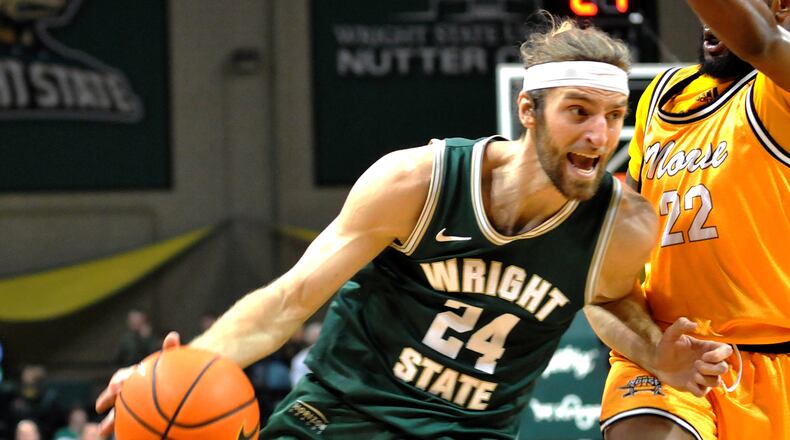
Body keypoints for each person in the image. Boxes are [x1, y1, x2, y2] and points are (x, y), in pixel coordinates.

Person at [97, 17, 733, 439]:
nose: (599, 134)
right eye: (579, 112)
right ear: (528, 110)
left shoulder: (620, 226)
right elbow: (287, 302)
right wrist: (181, 370)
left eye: (614, 115)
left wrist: (653, 351)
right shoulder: (418, 183)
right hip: (342, 413)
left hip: (468, 433)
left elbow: (609, 299)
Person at [592, 1, 790, 439]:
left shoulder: (780, 89)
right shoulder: (663, 95)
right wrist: (648, 347)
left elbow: (759, 40)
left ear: (780, 7)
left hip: (776, 361)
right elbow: (621, 255)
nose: (709, 16)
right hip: (669, 350)